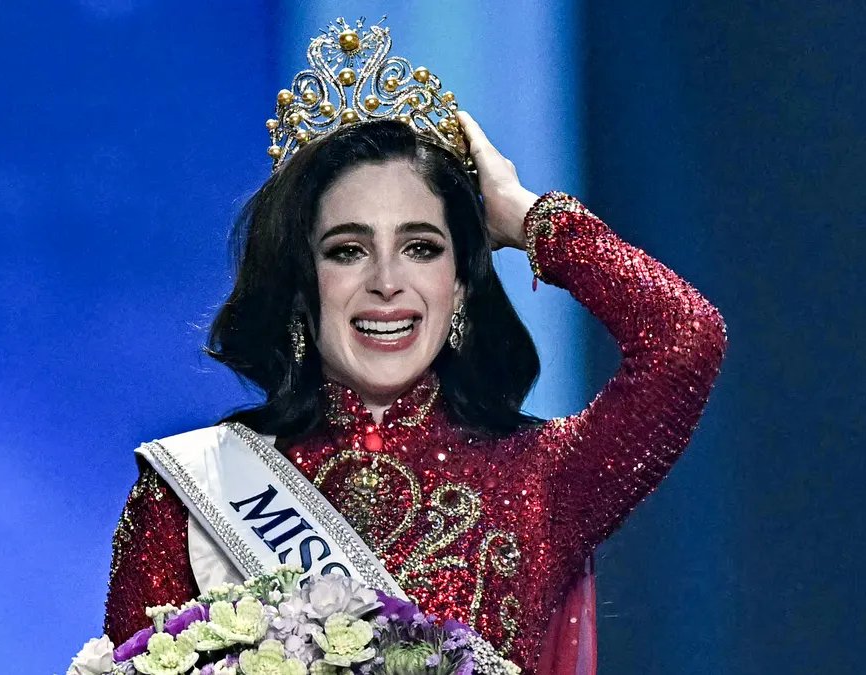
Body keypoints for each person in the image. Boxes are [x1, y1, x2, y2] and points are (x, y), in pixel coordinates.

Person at [103, 20, 726, 674]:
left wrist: (527, 217)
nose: (386, 281)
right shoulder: (188, 496)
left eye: (421, 247)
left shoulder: (542, 477)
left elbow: (685, 338)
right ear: (300, 286)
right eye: (347, 250)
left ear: (459, 285)